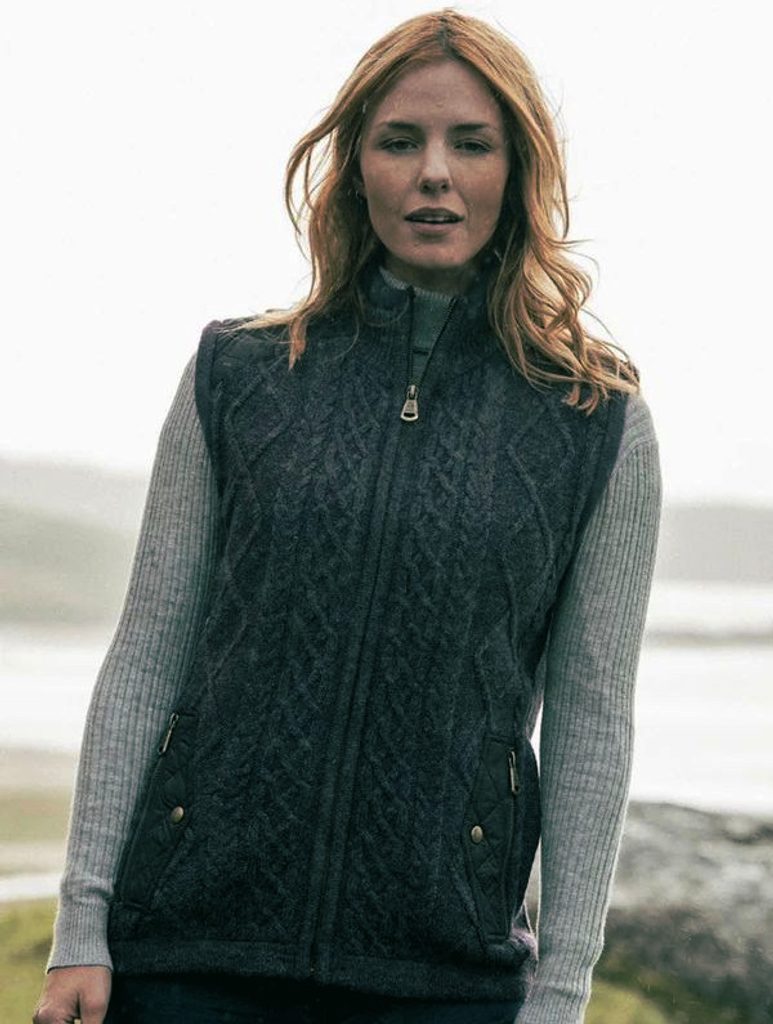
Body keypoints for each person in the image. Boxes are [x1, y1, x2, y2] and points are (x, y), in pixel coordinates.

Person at [33, 8, 662, 1024]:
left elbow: (592, 718)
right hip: (192, 953)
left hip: (443, 978)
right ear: (353, 165)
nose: (433, 173)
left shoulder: (593, 419)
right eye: (399, 140)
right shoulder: (237, 375)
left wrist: (560, 991)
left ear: (517, 171)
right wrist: (83, 923)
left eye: (471, 143)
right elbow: (149, 652)